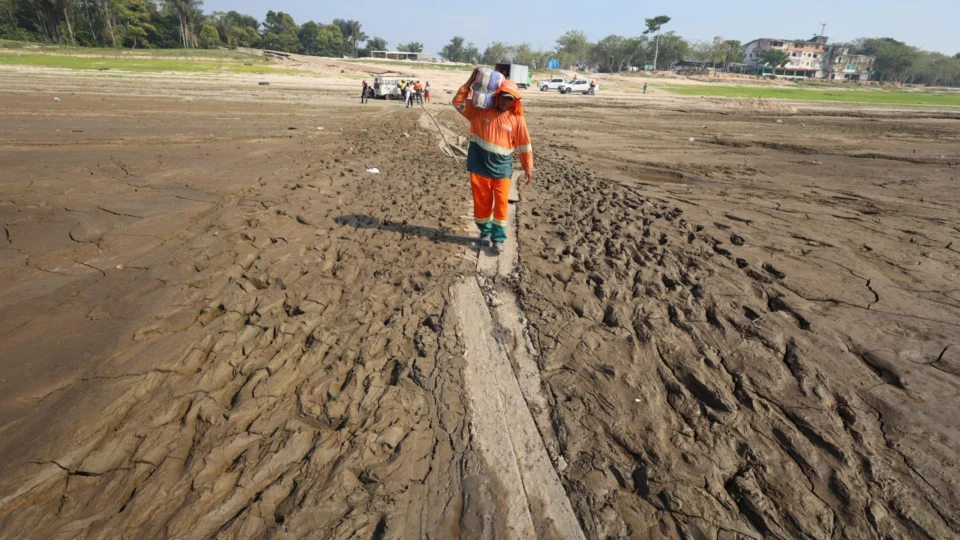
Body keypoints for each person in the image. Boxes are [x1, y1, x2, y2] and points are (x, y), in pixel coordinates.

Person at [453, 68, 533, 253]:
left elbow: (524, 144)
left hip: (502, 168)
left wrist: (528, 167)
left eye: (510, 99)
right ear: (497, 95)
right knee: (481, 203)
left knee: (501, 203)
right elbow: (457, 102)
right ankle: (485, 233)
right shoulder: (479, 111)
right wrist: (470, 81)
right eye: (504, 97)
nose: (506, 102)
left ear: (515, 101)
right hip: (479, 164)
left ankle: (498, 238)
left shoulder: (517, 119)